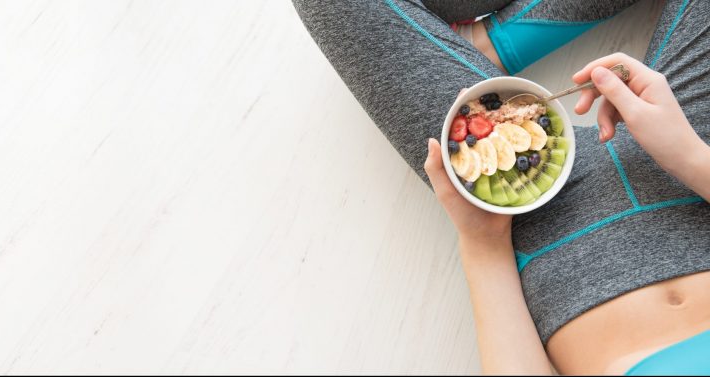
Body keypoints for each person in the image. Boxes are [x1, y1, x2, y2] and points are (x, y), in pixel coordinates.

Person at [292, 0, 710, 374]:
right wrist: (689, 155)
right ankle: (495, 42)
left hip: (536, 215)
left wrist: (484, 245)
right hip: (693, 161)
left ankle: (488, 44)